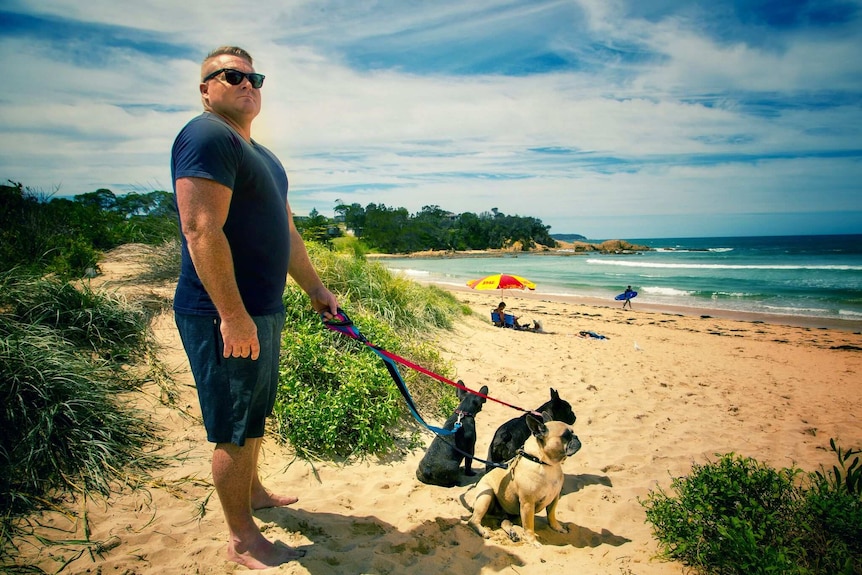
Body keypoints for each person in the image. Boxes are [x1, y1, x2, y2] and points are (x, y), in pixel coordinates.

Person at [171, 46, 339, 570]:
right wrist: (233, 314)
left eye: (254, 77)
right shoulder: (206, 136)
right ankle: (242, 536)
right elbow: (200, 228)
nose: (247, 83)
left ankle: (256, 493)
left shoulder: (262, 155)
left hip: (264, 309)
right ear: (206, 89)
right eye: (231, 75)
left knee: (253, 416)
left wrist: (315, 288)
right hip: (223, 312)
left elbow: (287, 232)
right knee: (234, 426)